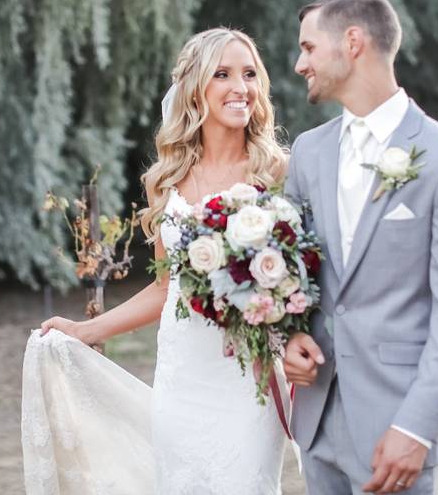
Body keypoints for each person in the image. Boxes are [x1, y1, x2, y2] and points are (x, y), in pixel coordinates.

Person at [23, 27, 290, 495]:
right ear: (195, 88)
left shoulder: (277, 173)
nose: (240, 87)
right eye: (222, 74)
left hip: (247, 374)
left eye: (249, 74)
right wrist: (88, 330)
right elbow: (169, 288)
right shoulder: (165, 182)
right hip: (182, 374)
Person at [282, 0, 438, 494]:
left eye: (309, 48)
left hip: (396, 424)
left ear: (352, 42)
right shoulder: (308, 154)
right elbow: (293, 273)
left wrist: (417, 425)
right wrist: (286, 335)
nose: (298, 64)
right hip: (318, 417)